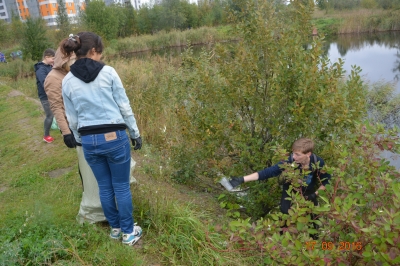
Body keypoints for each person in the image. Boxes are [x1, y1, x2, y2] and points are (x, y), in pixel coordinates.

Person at [61, 32, 143, 246]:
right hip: (114, 136)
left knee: (104, 187)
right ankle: (128, 233)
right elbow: (124, 106)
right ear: (94, 51)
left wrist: (79, 138)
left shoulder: (68, 80)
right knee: (121, 186)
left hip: (89, 140)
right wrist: (135, 133)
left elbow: (72, 117)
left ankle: (116, 229)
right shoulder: (108, 72)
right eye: (100, 53)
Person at [44, 39, 106, 224]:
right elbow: (57, 107)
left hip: (92, 124)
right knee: (88, 171)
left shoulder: (73, 73)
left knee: (102, 169)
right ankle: (94, 209)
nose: (74, 62)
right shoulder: (53, 78)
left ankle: (107, 203)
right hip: (77, 130)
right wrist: (66, 132)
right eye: (71, 59)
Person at [227, 138, 331, 237]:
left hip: (309, 191)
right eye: (293, 153)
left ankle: (313, 243)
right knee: (285, 213)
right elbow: (268, 172)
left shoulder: (318, 162)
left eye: (297, 154)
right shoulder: (289, 161)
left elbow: (326, 182)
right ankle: (282, 241)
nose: (294, 157)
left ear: (308, 154)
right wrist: (241, 179)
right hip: (290, 189)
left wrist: (315, 194)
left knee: (315, 218)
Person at [35, 49, 55, 143]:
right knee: (50, 115)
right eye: (52, 58)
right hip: (45, 96)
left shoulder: (49, 66)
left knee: (59, 112)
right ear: (46, 57)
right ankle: (46, 136)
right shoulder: (40, 69)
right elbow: (45, 83)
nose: (53, 60)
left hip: (53, 94)